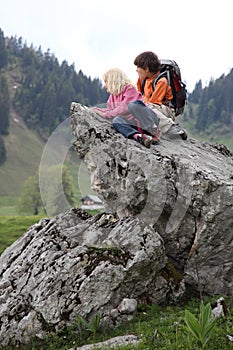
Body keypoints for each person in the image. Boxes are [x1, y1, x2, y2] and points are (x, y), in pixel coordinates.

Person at [92, 68, 160, 148]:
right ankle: (138, 136)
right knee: (116, 120)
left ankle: (152, 130)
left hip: (146, 119)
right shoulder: (112, 97)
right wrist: (96, 110)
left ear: (113, 80)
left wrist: (104, 114)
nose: (105, 85)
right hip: (135, 125)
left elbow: (124, 107)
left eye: (106, 82)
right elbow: (111, 111)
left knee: (133, 105)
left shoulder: (129, 88)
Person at [129, 51, 187, 140]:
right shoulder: (142, 80)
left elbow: (153, 103)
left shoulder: (161, 81)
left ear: (147, 69)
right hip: (153, 108)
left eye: (138, 67)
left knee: (146, 106)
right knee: (136, 106)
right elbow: (138, 96)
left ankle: (171, 127)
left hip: (166, 110)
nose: (136, 70)